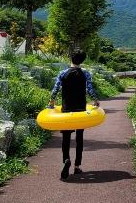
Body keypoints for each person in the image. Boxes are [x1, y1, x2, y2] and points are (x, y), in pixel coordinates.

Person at [48, 50, 100, 180]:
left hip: (67, 110)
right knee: (79, 138)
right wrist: (95, 100)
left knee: (66, 138)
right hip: (81, 109)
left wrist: (51, 102)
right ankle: (77, 166)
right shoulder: (86, 74)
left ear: (71, 58)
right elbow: (89, 89)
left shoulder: (63, 73)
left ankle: (66, 160)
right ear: (82, 60)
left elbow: (55, 90)